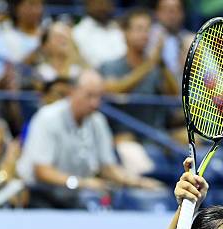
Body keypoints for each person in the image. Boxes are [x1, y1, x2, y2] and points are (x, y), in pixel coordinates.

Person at [17, 69, 164, 208]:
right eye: (89, 96)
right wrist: (82, 183)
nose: (95, 103)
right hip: (39, 194)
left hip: (77, 195)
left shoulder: (97, 121)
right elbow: (42, 171)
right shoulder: (48, 117)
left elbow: (107, 167)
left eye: (99, 96)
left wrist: (137, 182)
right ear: (72, 92)